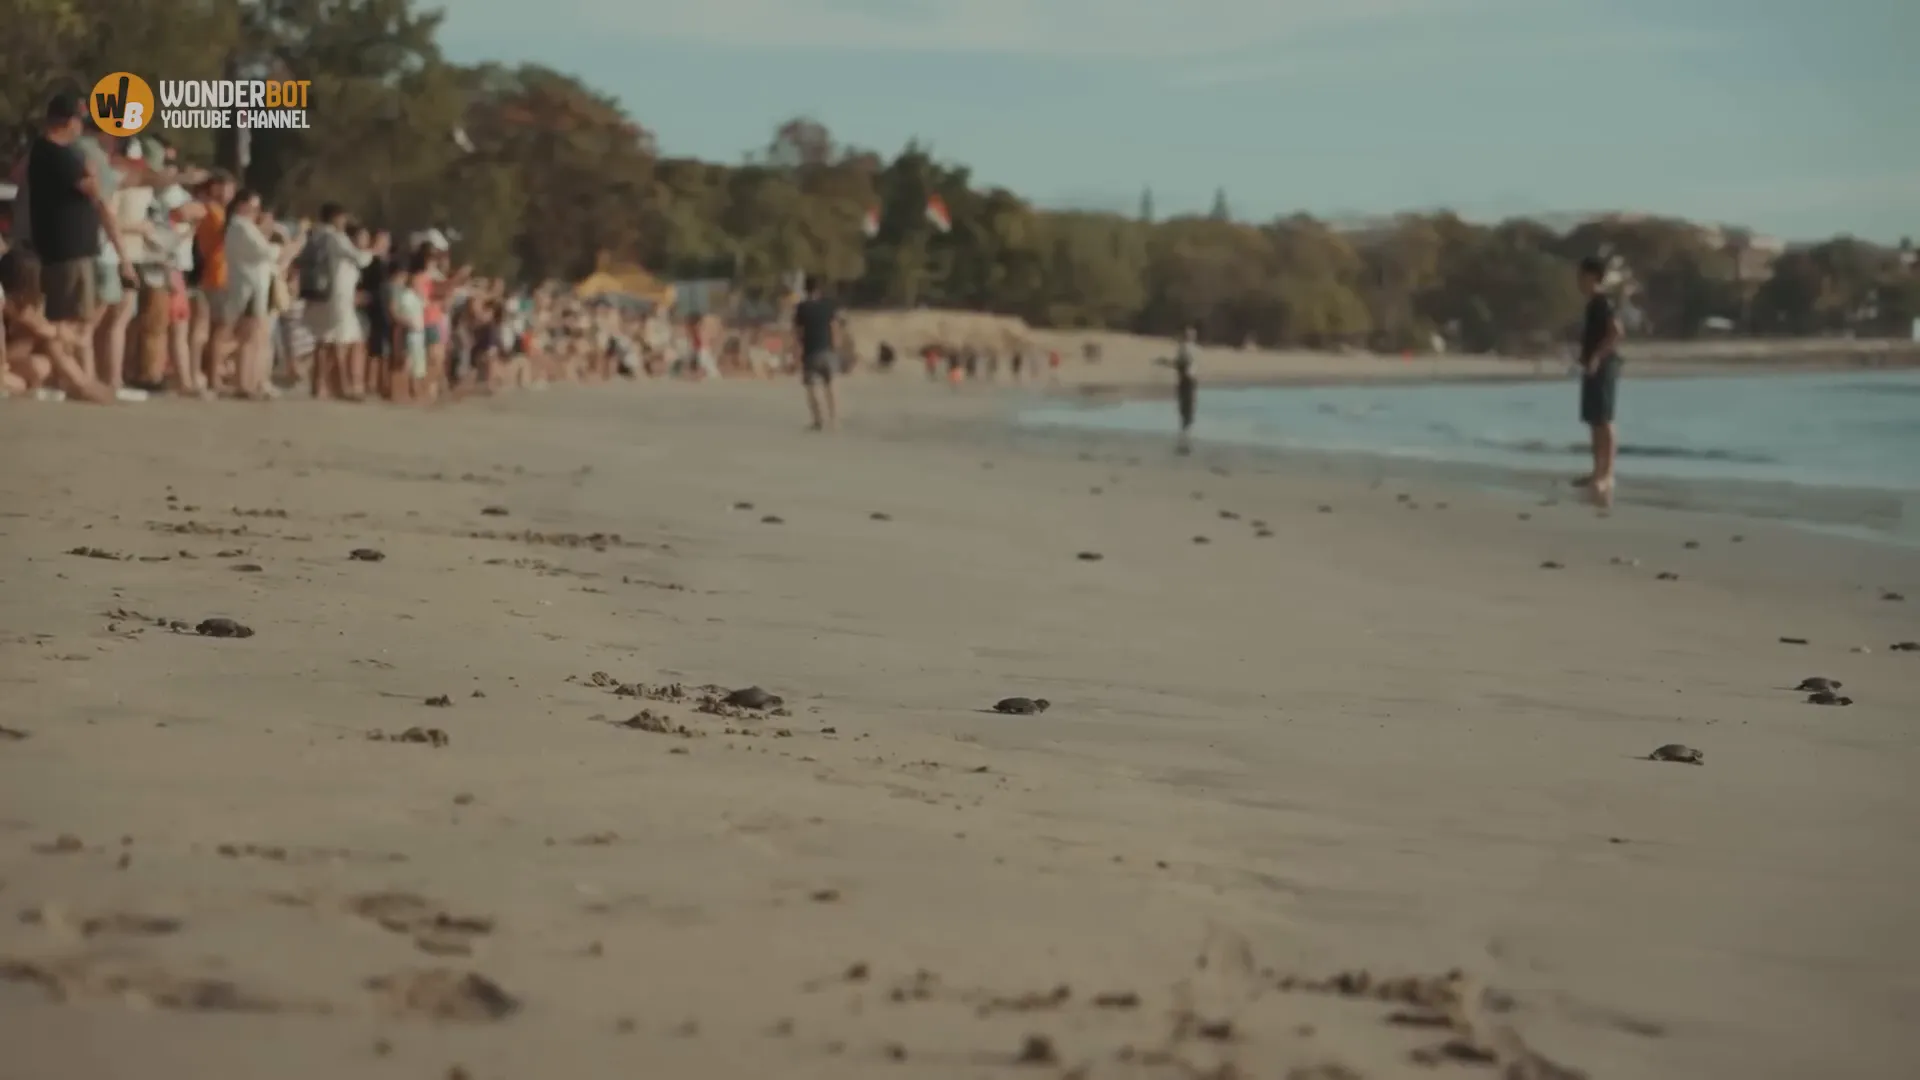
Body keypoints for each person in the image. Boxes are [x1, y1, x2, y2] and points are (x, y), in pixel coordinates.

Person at [25, 93, 136, 382]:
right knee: (68, 321)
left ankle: (79, 377)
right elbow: (97, 194)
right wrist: (93, 174)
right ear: (67, 121)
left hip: (72, 249)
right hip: (68, 251)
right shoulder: (56, 154)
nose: (80, 128)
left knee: (77, 322)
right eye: (78, 120)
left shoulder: (45, 152)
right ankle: (68, 379)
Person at [1, 247, 114, 403]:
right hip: (5, 358)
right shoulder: (9, 302)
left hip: (12, 357)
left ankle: (81, 383)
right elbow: (41, 328)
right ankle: (81, 384)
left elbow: (42, 327)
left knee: (42, 364)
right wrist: (68, 335)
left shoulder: (30, 301)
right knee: (50, 343)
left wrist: (63, 333)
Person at [299, 202, 373, 400]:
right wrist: (374, 250)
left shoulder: (315, 234)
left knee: (323, 341)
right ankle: (342, 386)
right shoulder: (335, 237)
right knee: (339, 342)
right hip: (337, 295)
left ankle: (319, 385)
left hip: (319, 293)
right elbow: (360, 259)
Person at [1573, 255, 1624, 500]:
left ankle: (1608, 474)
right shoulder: (1592, 303)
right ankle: (1597, 471)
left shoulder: (1603, 302)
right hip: (1592, 366)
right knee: (1594, 420)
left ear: (1592, 275)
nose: (1578, 281)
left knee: (1605, 419)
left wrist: (1596, 357)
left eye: (1581, 275)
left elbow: (1616, 332)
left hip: (1604, 366)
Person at [791, 274, 843, 430]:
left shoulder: (801, 308)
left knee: (813, 386)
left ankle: (818, 420)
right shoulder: (828, 305)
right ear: (819, 289)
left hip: (810, 351)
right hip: (827, 349)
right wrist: (835, 345)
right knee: (831, 384)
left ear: (806, 290)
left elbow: (798, 332)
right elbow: (834, 326)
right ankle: (834, 419)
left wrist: (797, 352)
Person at [1161, 326, 1200, 452]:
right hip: (1190, 379)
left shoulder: (1185, 348)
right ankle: (1186, 432)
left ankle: (1185, 432)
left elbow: (1180, 364)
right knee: (1188, 406)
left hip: (1186, 379)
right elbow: (1184, 364)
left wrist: (1166, 363)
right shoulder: (1193, 349)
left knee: (1185, 406)